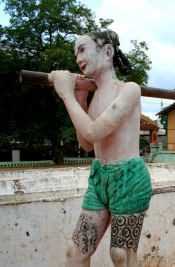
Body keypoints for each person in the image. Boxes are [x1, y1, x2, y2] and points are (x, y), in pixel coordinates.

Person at [50, 30, 152, 267]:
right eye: (75, 53)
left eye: (82, 49)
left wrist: (66, 95)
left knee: (121, 256)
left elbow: (94, 131)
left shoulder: (128, 89)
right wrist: (80, 99)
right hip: (100, 178)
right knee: (75, 252)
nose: (77, 58)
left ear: (107, 52)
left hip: (129, 179)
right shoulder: (96, 98)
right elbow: (87, 143)